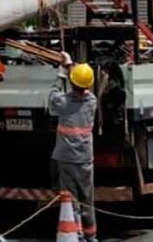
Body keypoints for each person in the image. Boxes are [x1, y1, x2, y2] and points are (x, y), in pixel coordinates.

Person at [48, 53, 98, 242]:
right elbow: (79, 87)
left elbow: (53, 96)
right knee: (87, 199)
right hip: (85, 158)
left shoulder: (63, 102)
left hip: (66, 157)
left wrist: (63, 70)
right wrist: (73, 70)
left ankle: (76, 235)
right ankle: (91, 236)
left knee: (71, 199)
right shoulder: (91, 101)